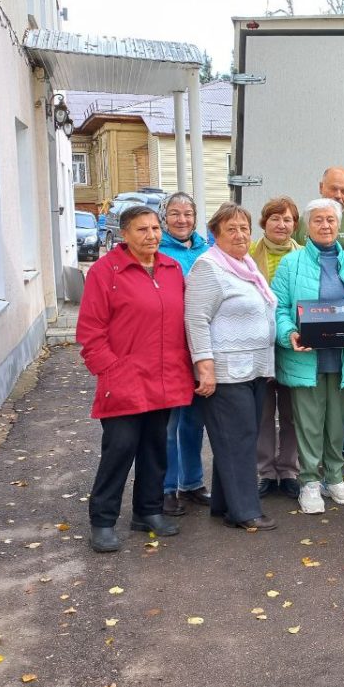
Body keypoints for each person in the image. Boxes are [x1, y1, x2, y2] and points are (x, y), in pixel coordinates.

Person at [76, 205, 192, 552]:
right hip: (124, 378)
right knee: (120, 448)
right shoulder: (105, 271)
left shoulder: (172, 269)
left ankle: (148, 512)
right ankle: (103, 521)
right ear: (123, 235)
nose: (152, 236)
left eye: (156, 229)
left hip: (165, 376)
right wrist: (109, 369)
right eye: (142, 230)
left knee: (156, 447)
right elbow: (90, 329)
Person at [272, 199, 344, 515]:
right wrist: (289, 332)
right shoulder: (291, 264)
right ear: (308, 225)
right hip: (307, 358)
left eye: (331, 220)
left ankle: (334, 477)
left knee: (337, 424)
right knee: (308, 423)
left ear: (338, 224)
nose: (325, 225)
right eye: (318, 220)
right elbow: (278, 308)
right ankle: (308, 481)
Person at [185, 202, 280, 532]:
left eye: (244, 228)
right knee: (237, 439)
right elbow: (196, 319)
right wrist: (205, 367)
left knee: (240, 438)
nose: (240, 235)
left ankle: (225, 504)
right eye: (231, 229)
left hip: (252, 368)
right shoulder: (208, 268)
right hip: (225, 372)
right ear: (215, 234)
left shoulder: (245, 265)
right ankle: (245, 511)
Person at [293, 166, 344, 454]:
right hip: (311, 336)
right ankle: (311, 472)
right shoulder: (306, 219)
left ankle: (340, 456)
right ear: (320, 187)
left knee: (343, 406)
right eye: (333, 188)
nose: (339, 195)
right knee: (311, 411)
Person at [157, 191, 212, 517]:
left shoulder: (207, 249)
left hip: (201, 348)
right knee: (170, 423)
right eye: (175, 214)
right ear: (165, 217)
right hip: (172, 347)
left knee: (195, 421)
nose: (182, 220)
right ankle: (167, 487)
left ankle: (192, 483)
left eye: (188, 214)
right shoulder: (157, 251)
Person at [249, 196, 303, 501]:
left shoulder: (304, 256)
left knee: (293, 412)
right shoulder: (247, 256)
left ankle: (289, 470)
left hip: (295, 344)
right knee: (263, 412)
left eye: (287, 219)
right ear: (264, 222)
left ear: (295, 224)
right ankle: (266, 472)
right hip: (259, 345)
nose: (282, 225)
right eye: (275, 219)